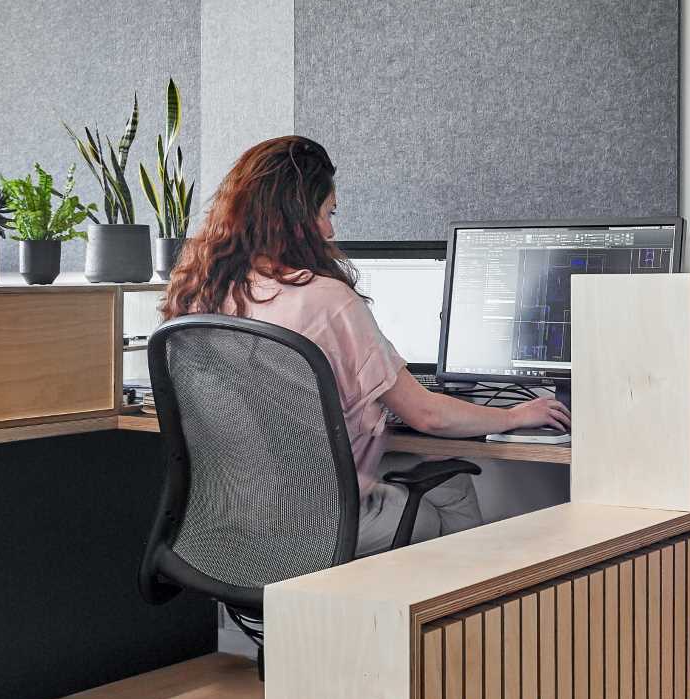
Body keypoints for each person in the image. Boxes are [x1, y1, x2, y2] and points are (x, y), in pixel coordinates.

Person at [162, 136, 569, 557]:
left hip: (224, 525)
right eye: (326, 212)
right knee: (452, 489)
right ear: (295, 216)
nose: (330, 229)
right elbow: (428, 415)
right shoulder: (326, 299)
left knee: (424, 478)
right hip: (316, 525)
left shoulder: (196, 294)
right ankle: (448, 617)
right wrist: (515, 415)